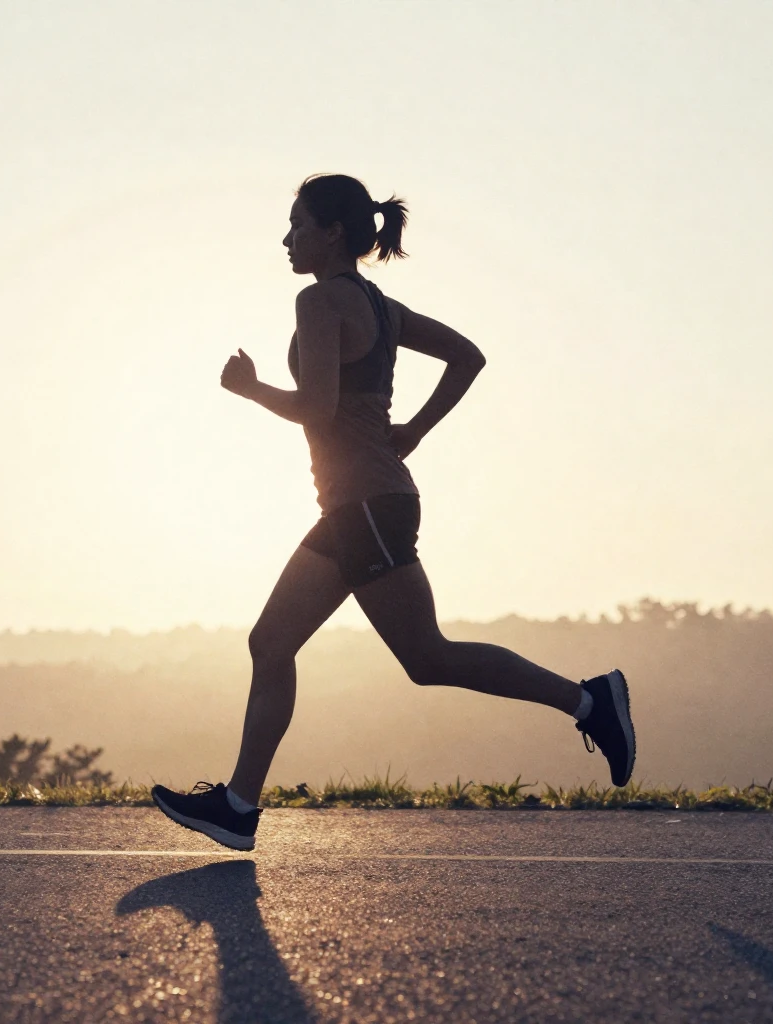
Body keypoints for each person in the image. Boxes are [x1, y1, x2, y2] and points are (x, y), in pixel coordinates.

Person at [152, 173, 636, 851]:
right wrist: (413, 431)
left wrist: (251, 388)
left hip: (367, 507)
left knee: (427, 655)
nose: (287, 238)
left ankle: (591, 701)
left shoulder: (318, 302)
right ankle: (238, 805)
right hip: (362, 505)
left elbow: (316, 407)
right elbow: (467, 357)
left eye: (297, 224)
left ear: (333, 233)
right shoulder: (380, 307)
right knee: (276, 642)